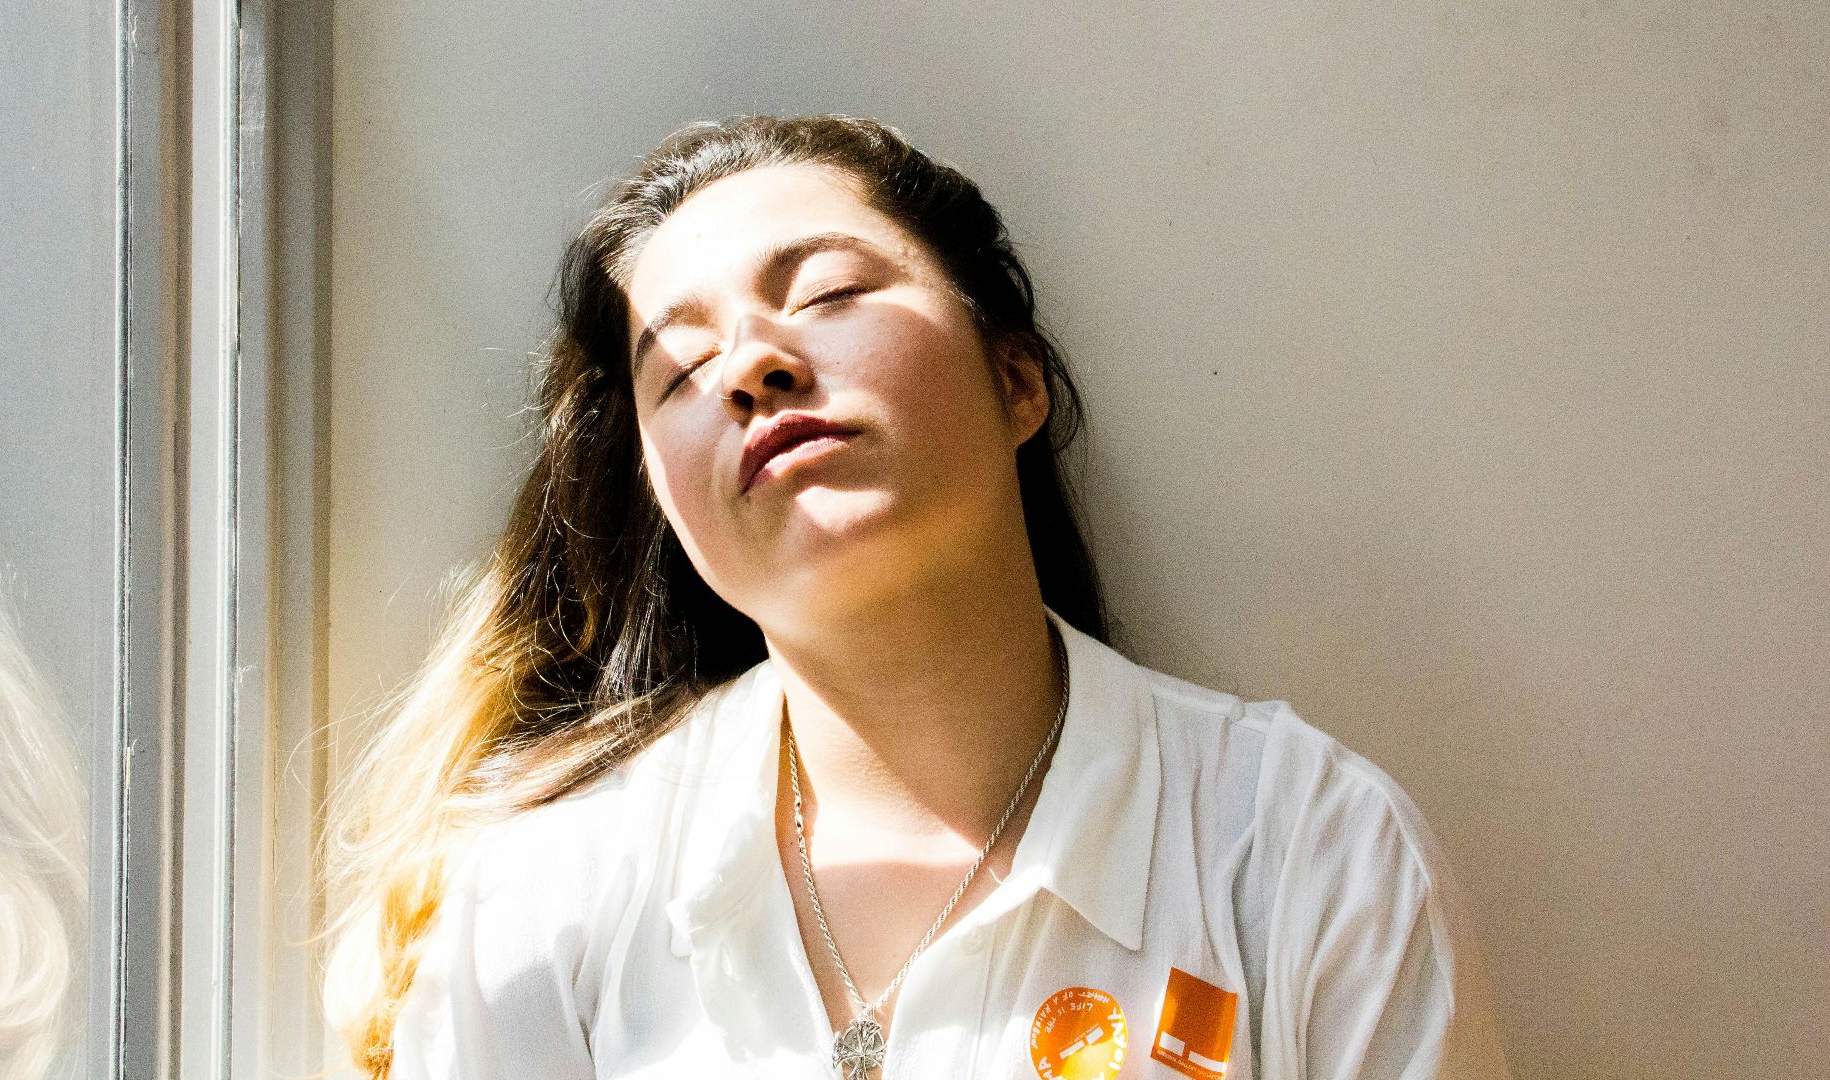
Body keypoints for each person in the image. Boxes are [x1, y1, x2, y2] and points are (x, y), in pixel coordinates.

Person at [321, 114, 1513, 1080]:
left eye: (829, 293)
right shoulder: (545, 904)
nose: (752, 365)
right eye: (681, 367)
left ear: (1017, 380)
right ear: (669, 508)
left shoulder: (1307, 855)